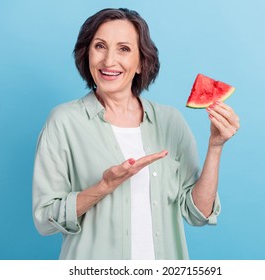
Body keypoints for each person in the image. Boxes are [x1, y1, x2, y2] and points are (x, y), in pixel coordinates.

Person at [32, 8, 240, 260]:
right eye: (100, 46)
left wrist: (216, 146)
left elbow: (198, 213)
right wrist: (104, 187)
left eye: (124, 49)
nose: (109, 61)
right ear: (87, 53)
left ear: (141, 62)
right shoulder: (63, 122)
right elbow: (45, 219)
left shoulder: (170, 121)